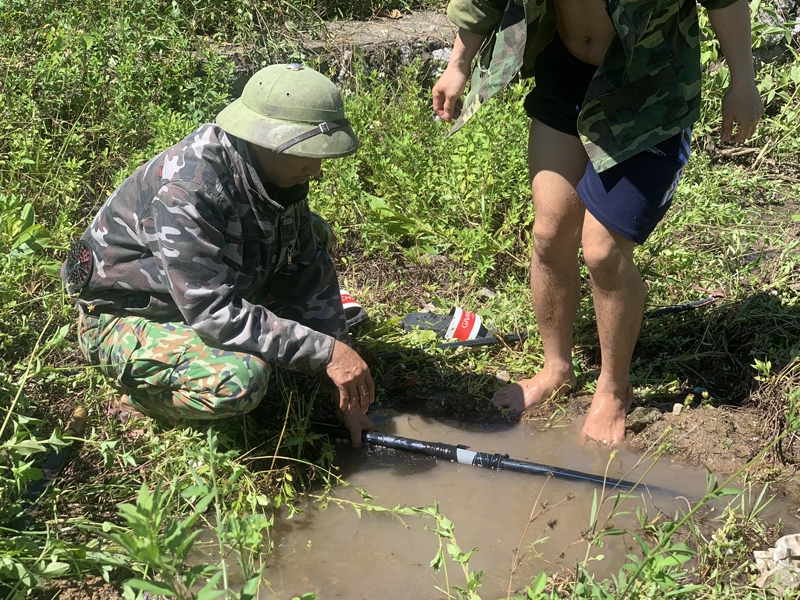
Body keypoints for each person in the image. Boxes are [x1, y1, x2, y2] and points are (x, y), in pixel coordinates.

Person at [432, 0, 763, 444]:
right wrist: (459, 64)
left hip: (648, 87)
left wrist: (743, 79)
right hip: (567, 73)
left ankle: (613, 388)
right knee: (550, 233)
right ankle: (556, 367)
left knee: (603, 250)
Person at [62, 64, 374, 446]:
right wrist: (325, 352)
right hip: (125, 314)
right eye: (304, 153)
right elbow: (213, 313)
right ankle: (140, 399)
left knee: (316, 231)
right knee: (241, 380)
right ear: (263, 139)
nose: (317, 169)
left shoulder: (276, 172)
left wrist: (337, 372)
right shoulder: (189, 190)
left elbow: (306, 266)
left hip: (197, 293)